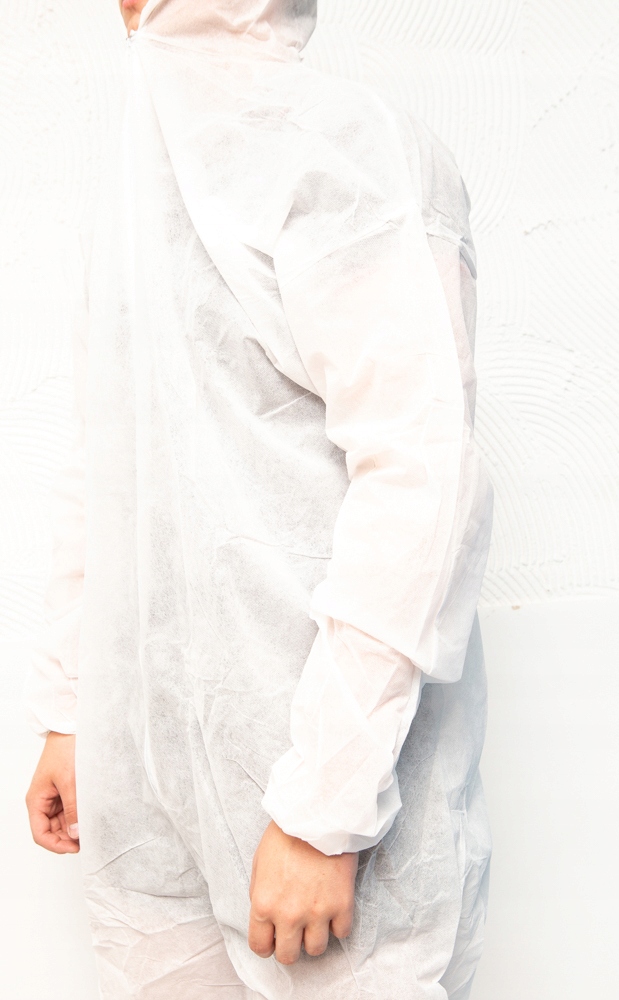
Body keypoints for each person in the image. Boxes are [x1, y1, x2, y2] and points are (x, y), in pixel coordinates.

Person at [24, 1, 494, 997]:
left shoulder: (349, 156)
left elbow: (421, 477)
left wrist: (325, 809)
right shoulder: (134, 184)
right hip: (150, 799)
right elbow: (104, 463)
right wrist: (73, 708)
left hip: (331, 808)